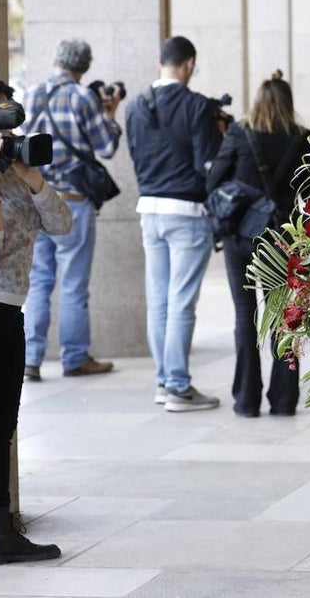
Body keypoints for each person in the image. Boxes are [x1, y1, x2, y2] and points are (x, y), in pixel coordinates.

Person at [0, 86, 70, 565]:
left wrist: (32, 179)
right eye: (0, 129)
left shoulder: (15, 171)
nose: (8, 137)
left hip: (9, 308)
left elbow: (62, 225)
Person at [206, 70, 310, 418]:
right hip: (281, 238)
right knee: (283, 318)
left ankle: (246, 401)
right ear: (288, 103)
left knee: (244, 316)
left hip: (240, 237)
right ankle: (283, 401)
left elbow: (213, 180)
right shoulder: (302, 139)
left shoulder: (239, 132)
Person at [126, 36, 222, 413]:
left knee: (159, 302)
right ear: (189, 63)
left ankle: (165, 382)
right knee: (181, 303)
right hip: (186, 212)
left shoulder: (135, 106)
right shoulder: (197, 106)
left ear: (160, 62)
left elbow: (135, 157)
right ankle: (178, 387)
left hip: (149, 210)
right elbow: (207, 165)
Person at [18, 39, 122, 381]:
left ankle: (31, 359)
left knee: (38, 281)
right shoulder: (82, 97)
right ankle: (75, 357)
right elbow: (106, 147)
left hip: (37, 199)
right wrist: (110, 114)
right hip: (73, 203)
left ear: (56, 59)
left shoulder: (31, 94)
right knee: (74, 284)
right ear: (84, 67)